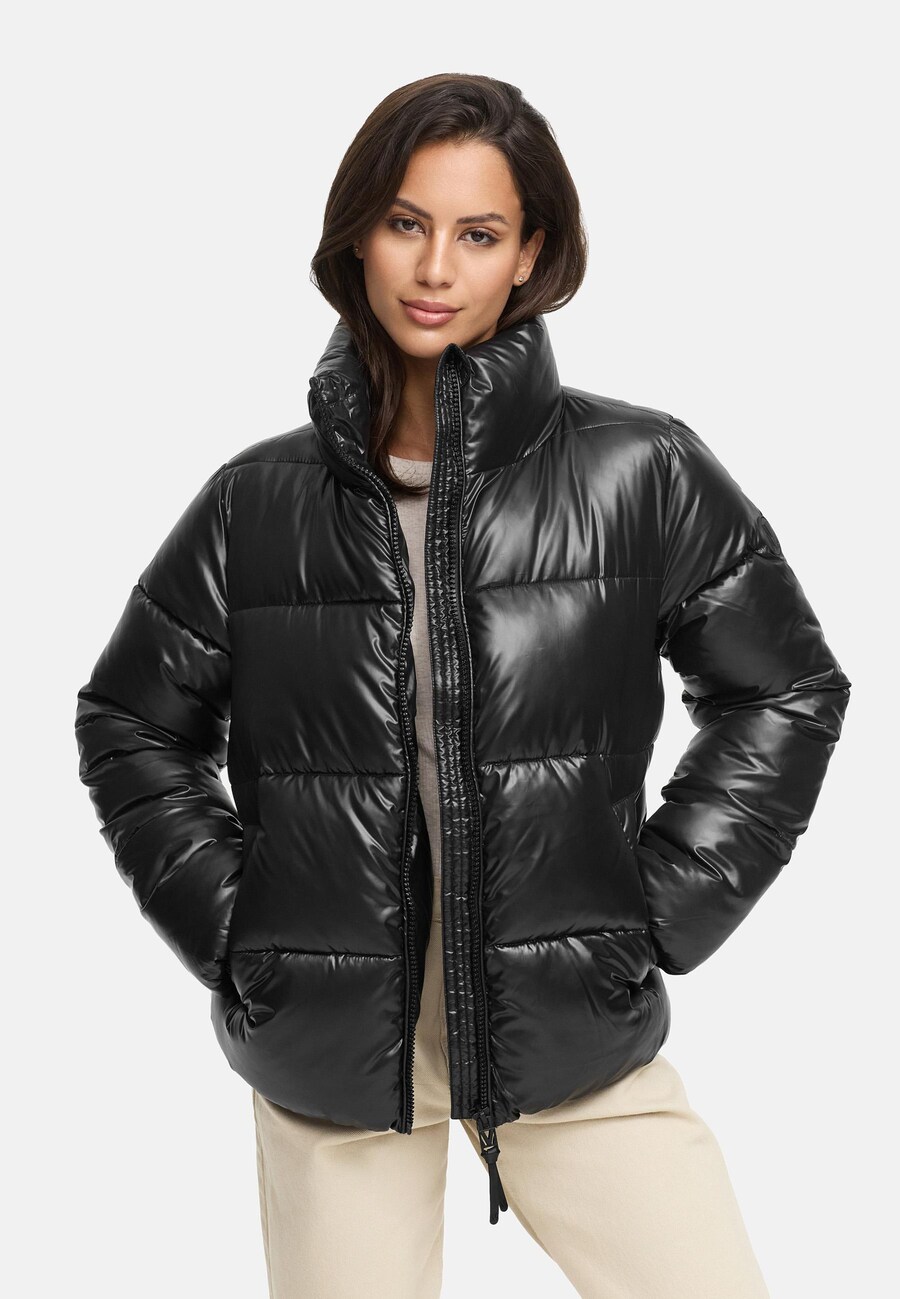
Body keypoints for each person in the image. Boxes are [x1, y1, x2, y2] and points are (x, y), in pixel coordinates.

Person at [74, 72, 852, 1298]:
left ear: (530, 252)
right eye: (405, 223)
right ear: (358, 237)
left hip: (576, 1037)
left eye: (479, 233)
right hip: (333, 1059)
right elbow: (131, 720)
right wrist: (237, 928)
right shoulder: (255, 502)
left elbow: (785, 688)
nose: (435, 268)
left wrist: (657, 912)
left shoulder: (639, 469)